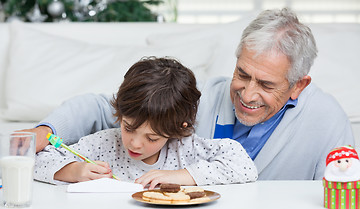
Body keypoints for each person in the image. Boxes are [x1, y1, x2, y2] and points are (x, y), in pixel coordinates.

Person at [25, 8, 354, 180]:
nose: (247, 93)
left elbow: (343, 199)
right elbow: (104, 107)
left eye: (267, 85)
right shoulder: (202, 99)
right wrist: (47, 131)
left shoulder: (327, 121)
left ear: (299, 85)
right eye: (242, 74)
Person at [34, 57, 258, 188]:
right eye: (128, 128)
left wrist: (181, 176)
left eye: (152, 137)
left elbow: (244, 166)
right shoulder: (103, 145)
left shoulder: (186, 149)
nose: (135, 144)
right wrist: (74, 171)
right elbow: (34, 160)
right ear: (120, 114)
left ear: (178, 128)